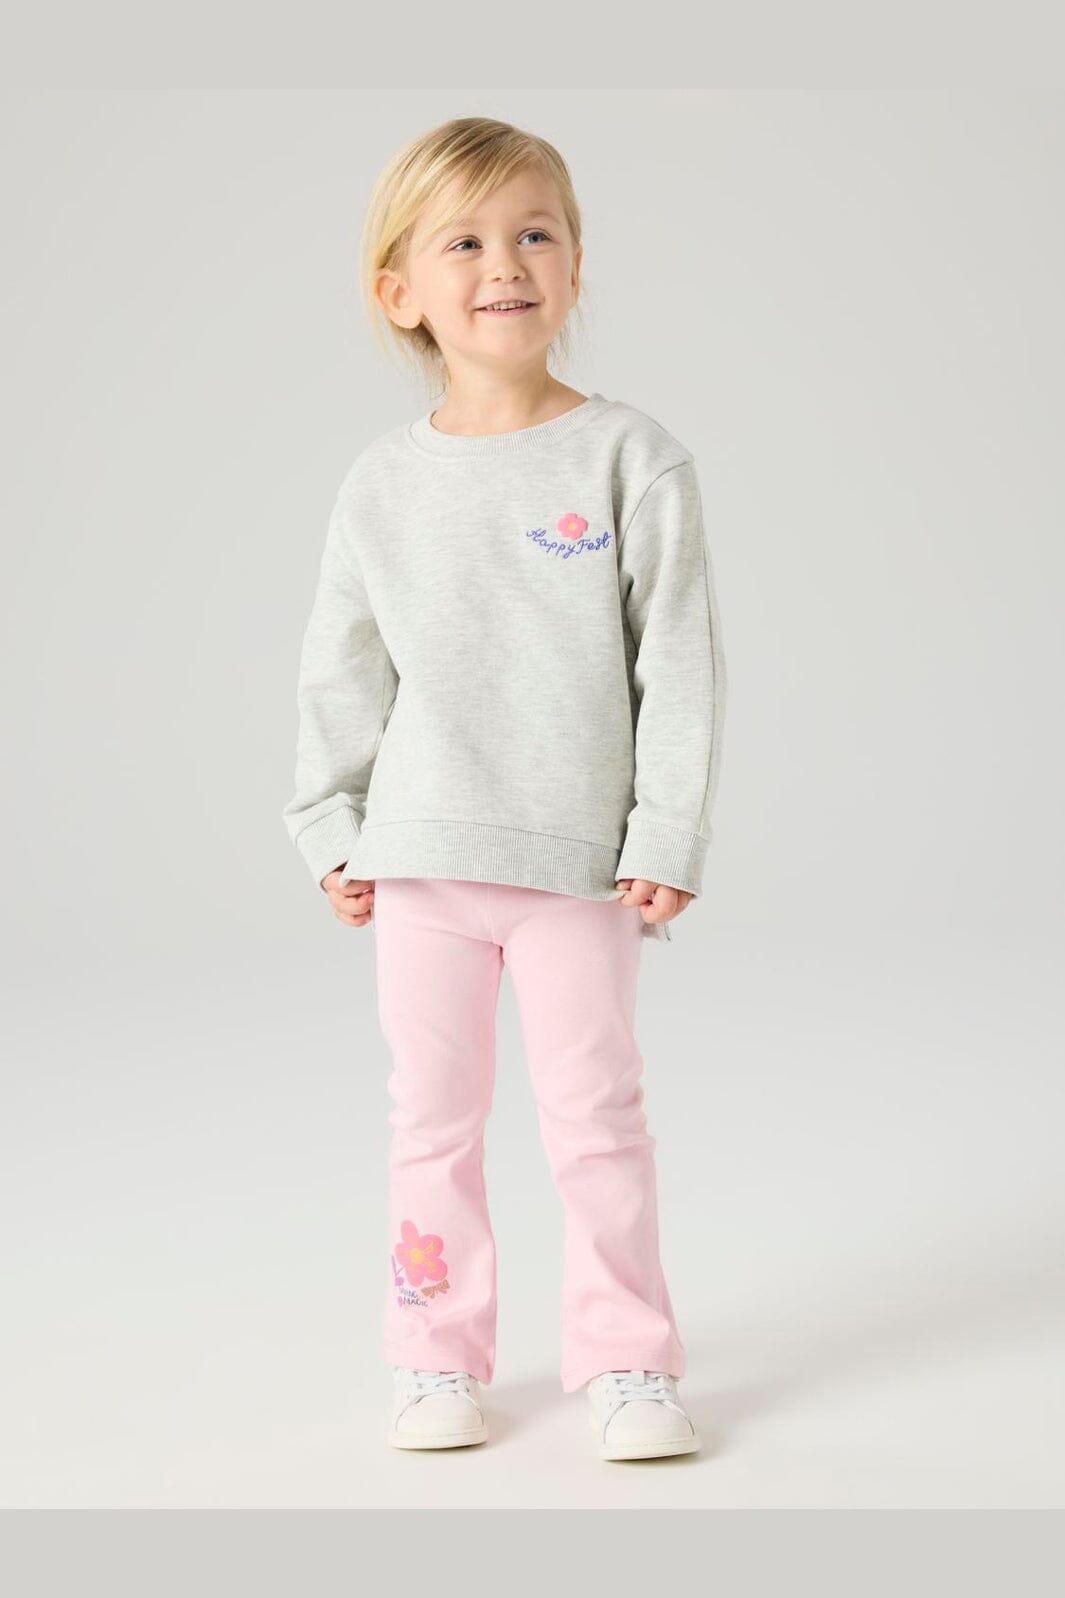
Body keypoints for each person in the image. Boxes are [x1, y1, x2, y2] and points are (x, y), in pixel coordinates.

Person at [282, 115, 727, 1462]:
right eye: (464, 243)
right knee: (431, 1120)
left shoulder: (630, 458)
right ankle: (433, 1356)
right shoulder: (380, 484)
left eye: (535, 233)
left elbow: (679, 662)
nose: (504, 265)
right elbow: (340, 666)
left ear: (575, 265)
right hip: (421, 860)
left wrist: (665, 829)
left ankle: (628, 1360)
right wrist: (330, 824)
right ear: (399, 291)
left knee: (597, 1120)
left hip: (577, 867)